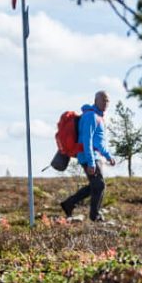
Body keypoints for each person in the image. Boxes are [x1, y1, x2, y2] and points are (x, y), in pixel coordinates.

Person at [59, 89, 110, 221]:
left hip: (95, 156)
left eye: (107, 100)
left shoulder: (99, 117)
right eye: (103, 99)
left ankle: (69, 204)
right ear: (96, 100)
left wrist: (108, 156)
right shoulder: (90, 116)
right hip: (88, 156)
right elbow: (87, 140)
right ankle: (94, 215)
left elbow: (98, 142)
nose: (106, 102)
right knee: (99, 185)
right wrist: (91, 162)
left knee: (95, 185)